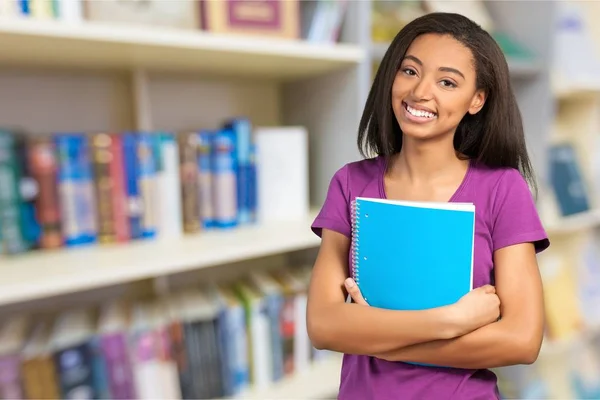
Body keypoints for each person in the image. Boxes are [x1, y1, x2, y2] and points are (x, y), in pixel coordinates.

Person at [306, 12, 550, 400]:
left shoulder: (502, 189)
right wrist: (451, 321)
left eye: (447, 82)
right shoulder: (350, 183)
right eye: (409, 71)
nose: (420, 92)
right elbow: (322, 326)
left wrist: (372, 336)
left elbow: (521, 340)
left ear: (476, 100)